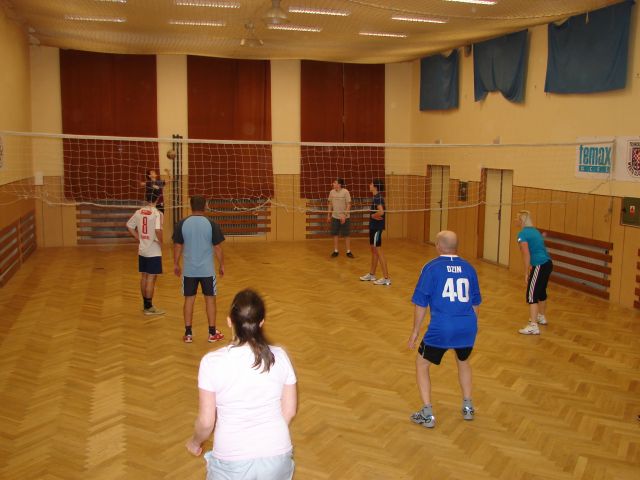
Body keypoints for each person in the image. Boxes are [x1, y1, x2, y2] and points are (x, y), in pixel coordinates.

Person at [186, 289, 297, 480]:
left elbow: (206, 422)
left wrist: (195, 442)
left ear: (230, 321)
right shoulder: (280, 356)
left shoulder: (212, 362)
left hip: (231, 459)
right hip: (277, 455)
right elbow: (289, 411)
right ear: (261, 322)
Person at [407, 231, 481, 428]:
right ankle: (468, 407)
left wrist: (415, 331)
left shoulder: (431, 268)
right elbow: (475, 303)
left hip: (442, 328)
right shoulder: (469, 268)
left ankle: (427, 414)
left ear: (438, 246)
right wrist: (473, 327)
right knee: (463, 361)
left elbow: (421, 303)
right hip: (467, 326)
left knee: (422, 364)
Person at [172, 195, 225, 343]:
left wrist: (176, 264)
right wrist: (222, 265)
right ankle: (212, 333)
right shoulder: (211, 224)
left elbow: (177, 246)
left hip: (189, 271)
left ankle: (188, 334)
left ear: (191, 206)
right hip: (207, 271)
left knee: (189, 300)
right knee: (210, 300)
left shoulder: (182, 223)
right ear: (205, 206)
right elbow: (217, 248)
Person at [126, 192, 165, 316]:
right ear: (157, 199)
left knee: (144, 276)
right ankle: (149, 308)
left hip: (142, 249)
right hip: (153, 250)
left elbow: (129, 226)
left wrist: (139, 238)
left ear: (146, 198)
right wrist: (161, 242)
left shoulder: (139, 212)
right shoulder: (157, 213)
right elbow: (158, 230)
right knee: (151, 278)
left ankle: (145, 305)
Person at [515, 210, 553, 335]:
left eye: (517, 219)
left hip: (539, 265)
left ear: (521, 221)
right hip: (547, 264)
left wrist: (527, 272)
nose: (515, 221)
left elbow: (526, 254)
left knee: (532, 295)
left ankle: (533, 326)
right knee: (541, 292)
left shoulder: (522, 234)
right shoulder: (535, 231)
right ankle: (541, 316)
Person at [359, 178, 390, 285]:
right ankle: (372, 274)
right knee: (374, 251)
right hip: (373, 227)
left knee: (379, 251)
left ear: (375, 186)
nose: (370, 185)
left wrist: (373, 215)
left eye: (371, 184)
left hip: (377, 228)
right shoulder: (376, 197)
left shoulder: (378, 198)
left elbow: (381, 212)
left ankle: (386, 278)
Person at [327, 178, 353, 258]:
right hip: (335, 217)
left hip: (345, 217)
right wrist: (328, 215)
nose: (333, 184)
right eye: (333, 183)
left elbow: (349, 204)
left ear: (339, 184)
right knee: (335, 234)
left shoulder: (345, 192)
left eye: (335, 183)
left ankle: (348, 251)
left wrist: (344, 216)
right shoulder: (331, 192)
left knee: (346, 235)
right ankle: (336, 251)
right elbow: (330, 204)